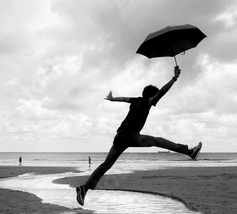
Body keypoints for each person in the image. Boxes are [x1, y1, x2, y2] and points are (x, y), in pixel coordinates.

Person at [76, 66, 202, 206]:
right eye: (155, 99)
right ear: (151, 97)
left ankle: (84, 188)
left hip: (119, 137)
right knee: (158, 141)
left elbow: (124, 98)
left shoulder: (136, 100)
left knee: (106, 165)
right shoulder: (146, 103)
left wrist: (112, 99)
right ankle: (190, 152)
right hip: (131, 137)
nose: (156, 102)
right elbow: (161, 93)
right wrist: (174, 78)